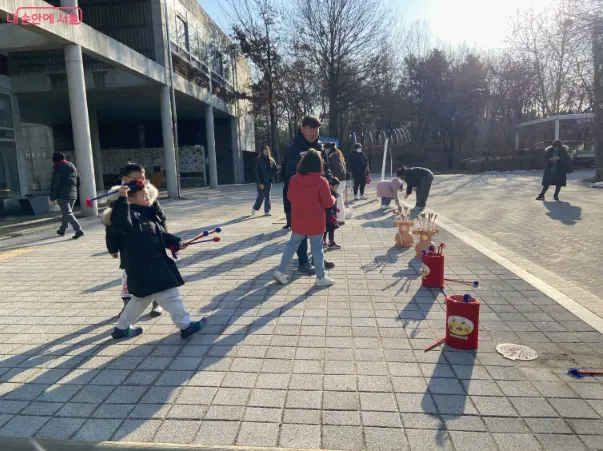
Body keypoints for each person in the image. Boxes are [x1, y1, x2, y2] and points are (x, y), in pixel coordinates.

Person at [108, 182, 207, 339]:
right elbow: (121, 222)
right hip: (147, 267)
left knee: (140, 300)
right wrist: (122, 198)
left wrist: (176, 242)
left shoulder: (146, 214)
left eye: (148, 194)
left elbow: (160, 234)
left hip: (148, 266)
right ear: (131, 200)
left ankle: (121, 329)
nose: (148, 198)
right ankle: (186, 325)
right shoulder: (128, 216)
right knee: (170, 295)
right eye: (143, 196)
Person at [273, 149, 335, 287]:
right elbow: (327, 202)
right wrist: (333, 198)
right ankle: (320, 277)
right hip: (316, 220)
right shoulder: (321, 181)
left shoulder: (294, 179)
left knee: (291, 245)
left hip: (299, 218)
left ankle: (280, 271)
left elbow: (290, 197)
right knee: (317, 249)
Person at [111, 163, 166, 317]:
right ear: (125, 179)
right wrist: (113, 247)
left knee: (156, 272)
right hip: (129, 246)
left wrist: (166, 238)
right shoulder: (117, 196)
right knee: (129, 276)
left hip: (151, 241)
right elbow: (112, 225)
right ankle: (128, 305)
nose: (142, 181)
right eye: (137, 178)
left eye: (143, 178)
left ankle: (158, 302)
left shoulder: (148, 193)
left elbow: (160, 217)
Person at [281, 115, 335, 274]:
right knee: (301, 231)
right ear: (303, 128)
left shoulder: (319, 146)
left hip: (318, 197)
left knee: (319, 228)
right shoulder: (293, 148)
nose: (314, 133)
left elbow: (325, 168)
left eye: (316, 129)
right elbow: (288, 175)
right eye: (311, 129)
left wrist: (331, 179)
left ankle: (317, 258)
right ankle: (303, 262)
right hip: (299, 199)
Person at [50, 152, 84, 239]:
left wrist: (52, 197)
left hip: (62, 195)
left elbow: (55, 184)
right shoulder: (72, 166)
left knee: (68, 213)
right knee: (67, 213)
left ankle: (78, 230)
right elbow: (78, 179)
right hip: (73, 194)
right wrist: (75, 190)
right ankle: (62, 230)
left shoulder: (58, 168)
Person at [251, 145, 279, 216]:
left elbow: (274, 171)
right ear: (262, 151)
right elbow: (256, 172)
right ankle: (255, 208)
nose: (266, 150)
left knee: (267, 196)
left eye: (268, 149)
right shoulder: (258, 159)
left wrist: (278, 168)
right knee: (261, 196)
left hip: (268, 181)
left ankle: (267, 211)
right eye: (265, 149)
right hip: (261, 182)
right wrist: (260, 183)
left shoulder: (271, 160)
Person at [325, 142, 347, 224]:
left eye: (326, 148)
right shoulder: (338, 154)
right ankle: (340, 218)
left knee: (338, 198)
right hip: (342, 179)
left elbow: (337, 167)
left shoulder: (333, 156)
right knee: (339, 198)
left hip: (338, 180)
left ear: (328, 148)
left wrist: (333, 177)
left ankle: (340, 219)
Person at [324, 177, 341, 249]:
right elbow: (331, 203)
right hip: (329, 214)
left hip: (328, 214)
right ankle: (331, 242)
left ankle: (324, 242)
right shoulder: (330, 193)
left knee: (326, 229)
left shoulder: (330, 192)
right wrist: (335, 210)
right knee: (331, 228)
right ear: (331, 185)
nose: (337, 188)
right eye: (336, 186)